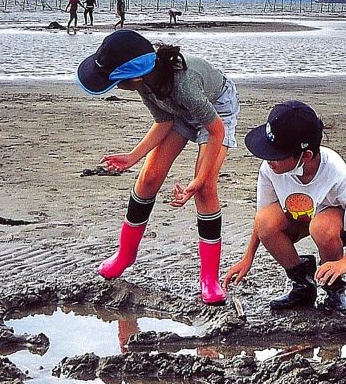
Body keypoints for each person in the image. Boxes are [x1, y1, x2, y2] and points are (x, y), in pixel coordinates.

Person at [75, 29, 240, 305]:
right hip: (180, 110)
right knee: (149, 177)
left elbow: (216, 131)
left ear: (134, 77)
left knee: (206, 189)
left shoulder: (184, 84)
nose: (116, 87)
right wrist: (133, 157)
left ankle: (209, 278)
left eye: (117, 83)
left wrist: (199, 179)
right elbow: (164, 121)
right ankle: (125, 255)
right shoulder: (145, 83)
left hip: (216, 111)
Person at [223, 101, 346, 313]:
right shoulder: (270, 169)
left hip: (331, 219)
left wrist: (345, 263)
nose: (269, 160)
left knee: (321, 228)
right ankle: (303, 286)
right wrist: (248, 257)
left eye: (276, 154)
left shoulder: (338, 174)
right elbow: (261, 218)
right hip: (296, 216)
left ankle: (334, 288)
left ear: (306, 156)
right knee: (265, 221)